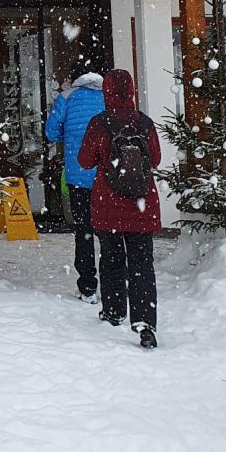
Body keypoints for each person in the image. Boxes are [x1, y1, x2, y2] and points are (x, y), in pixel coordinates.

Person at [77, 68, 161, 348]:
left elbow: (85, 161)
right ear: (132, 91)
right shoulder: (145, 123)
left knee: (111, 259)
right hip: (141, 203)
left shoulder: (99, 123)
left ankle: (113, 312)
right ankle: (145, 321)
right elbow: (157, 159)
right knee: (142, 263)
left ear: (107, 92)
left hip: (108, 203)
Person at [45, 72, 105, 300]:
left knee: (84, 231)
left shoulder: (67, 96)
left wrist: (68, 133)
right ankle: (113, 283)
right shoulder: (108, 96)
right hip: (106, 176)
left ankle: (88, 286)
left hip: (78, 174)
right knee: (109, 232)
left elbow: (51, 133)